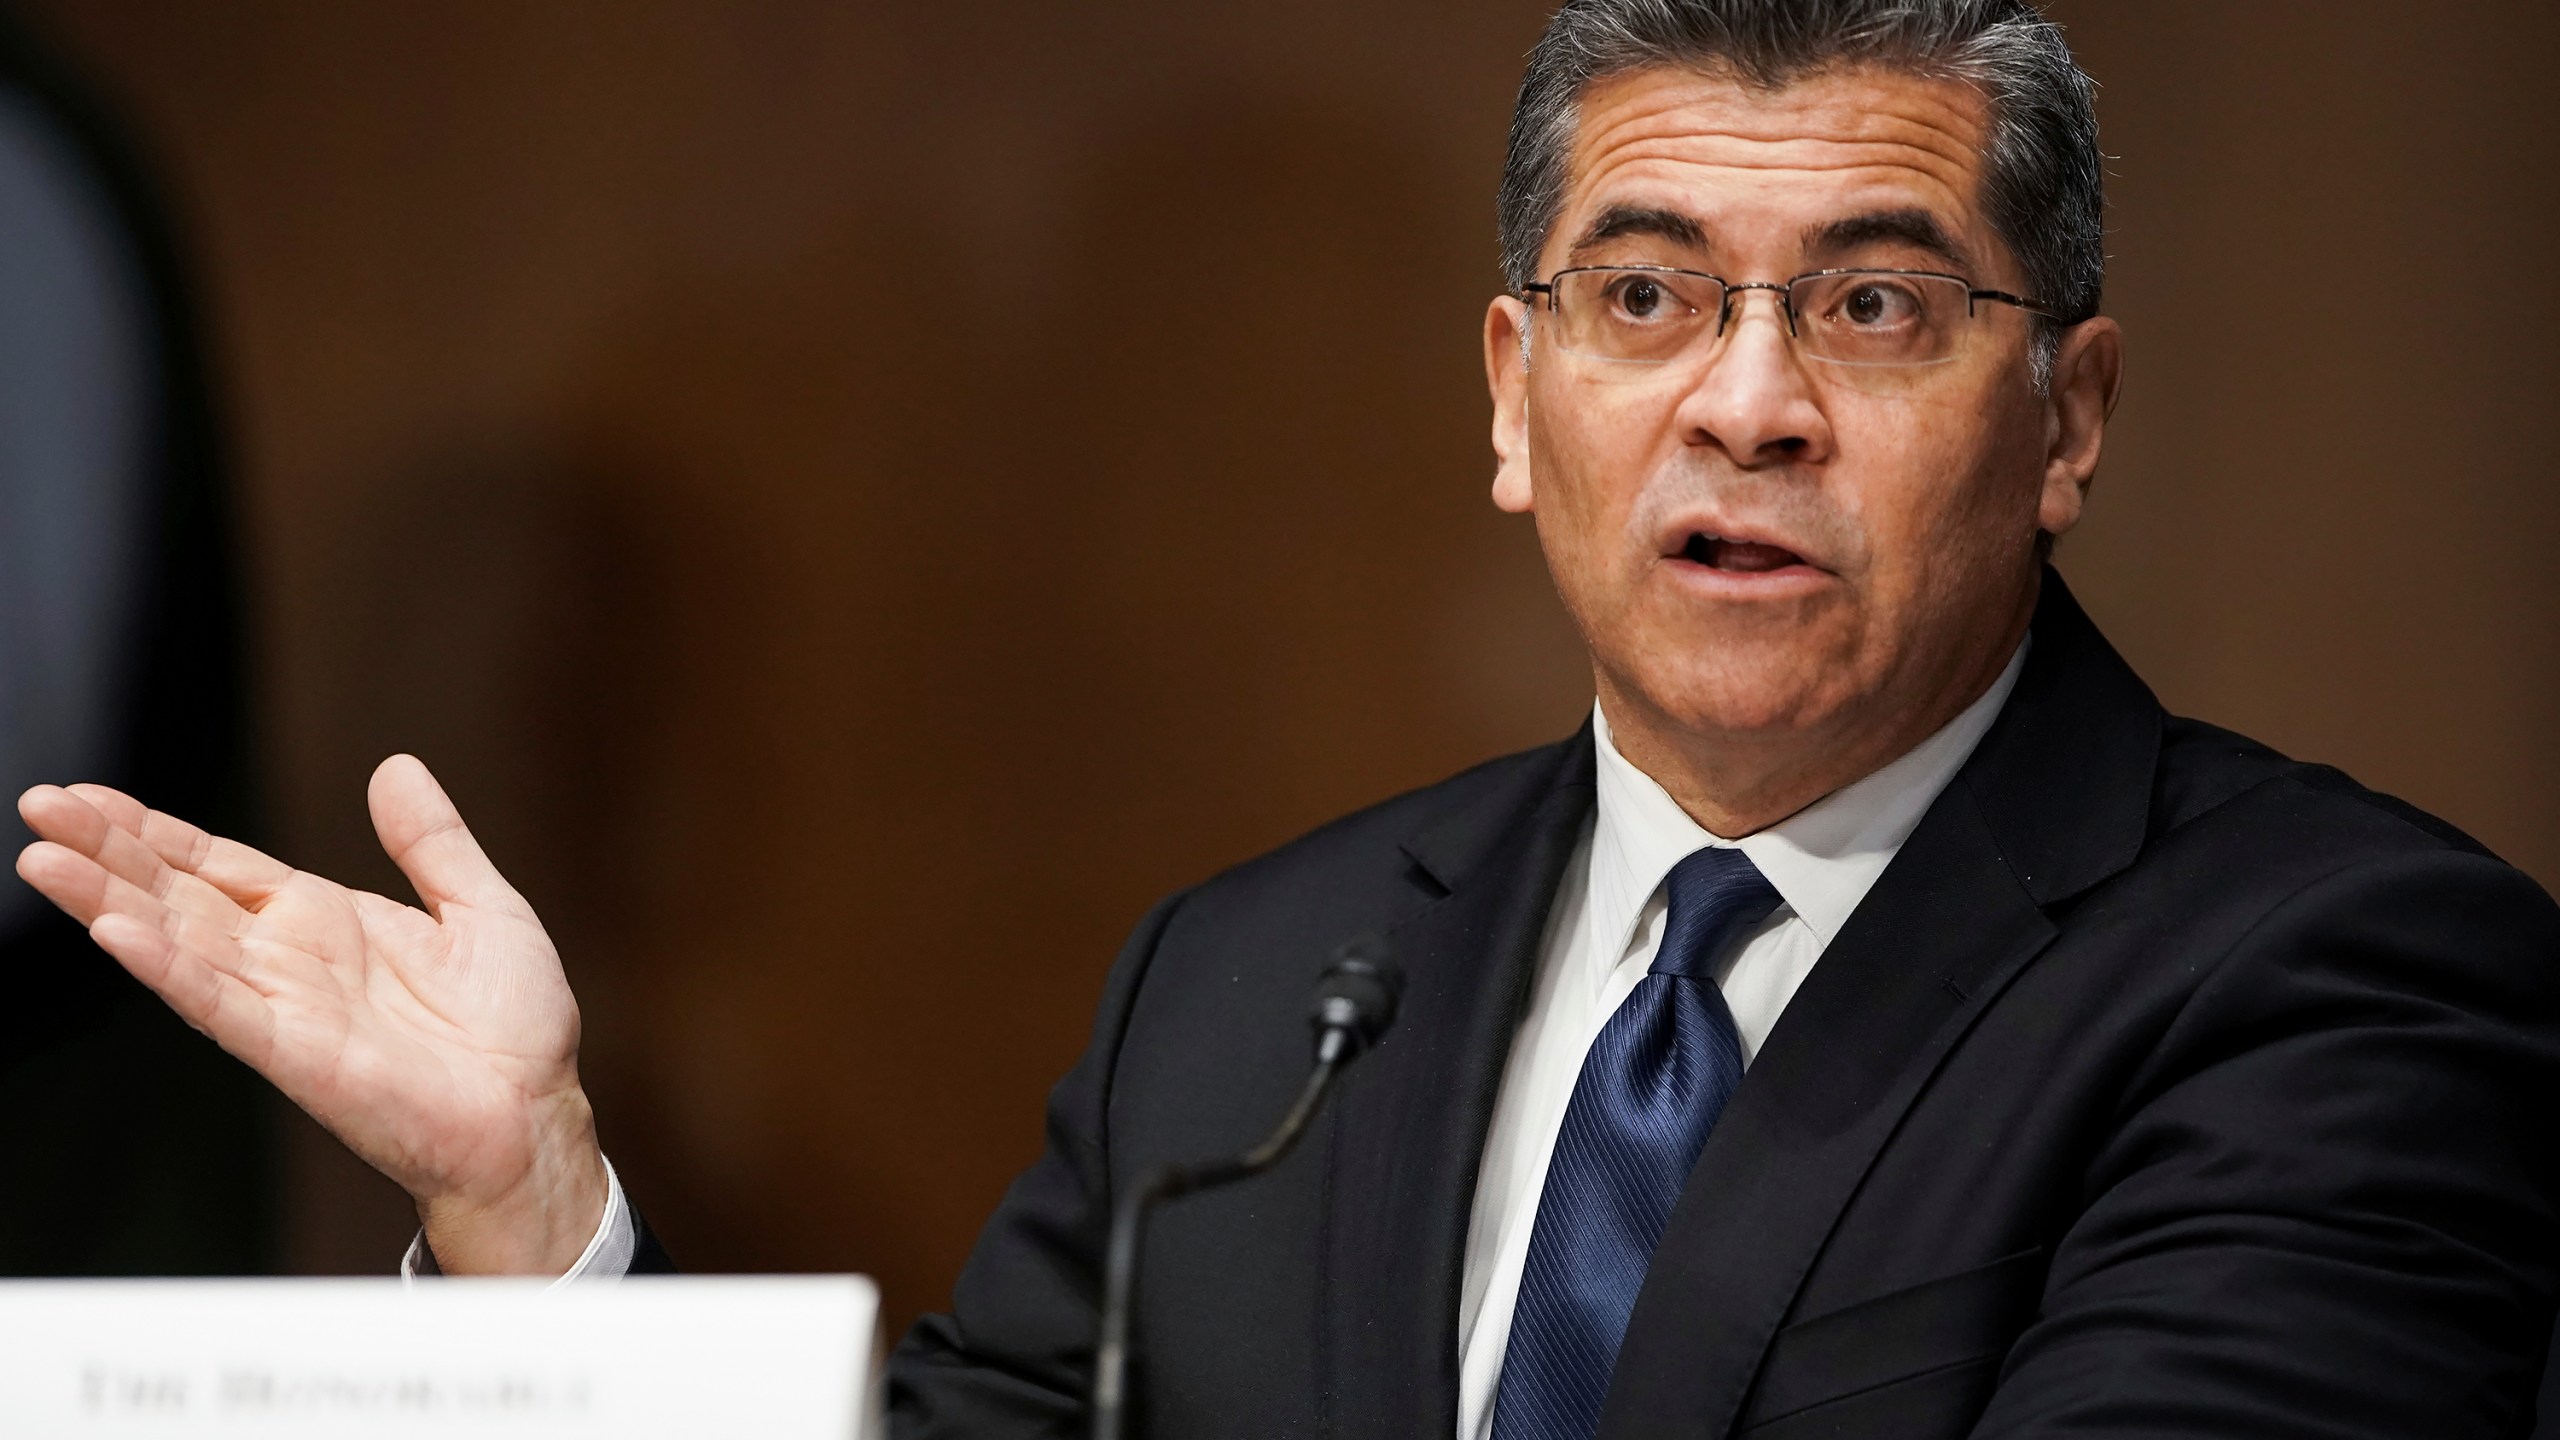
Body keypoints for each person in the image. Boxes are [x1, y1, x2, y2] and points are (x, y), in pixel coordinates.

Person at [16, 1, 2560, 1435]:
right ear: (1507, 393)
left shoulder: (2342, 982)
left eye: (1875, 306)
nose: (1747, 404)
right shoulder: (1260, 991)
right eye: (1646, 297)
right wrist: (542, 1213)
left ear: (2072, 416)